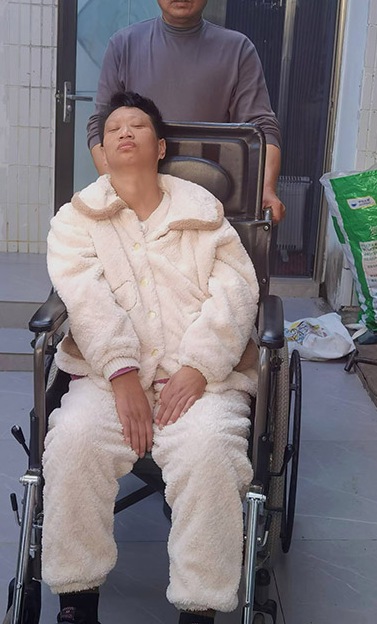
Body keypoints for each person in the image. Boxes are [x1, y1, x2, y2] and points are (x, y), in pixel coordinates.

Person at [44, 91, 260, 624]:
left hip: (201, 381)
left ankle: (200, 607)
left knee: (210, 450)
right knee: (73, 441)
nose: (125, 132)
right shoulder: (76, 220)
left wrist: (199, 365)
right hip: (107, 379)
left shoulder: (204, 216)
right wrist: (122, 374)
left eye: (137, 125)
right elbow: (85, 300)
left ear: (160, 146)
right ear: (102, 151)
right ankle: (77, 600)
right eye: (113, 127)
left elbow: (236, 293)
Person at [86, 0, 285, 224]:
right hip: (138, 207)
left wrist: (266, 189)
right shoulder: (123, 45)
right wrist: (116, 188)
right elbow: (101, 125)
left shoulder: (237, 49)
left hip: (213, 205)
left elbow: (262, 127)